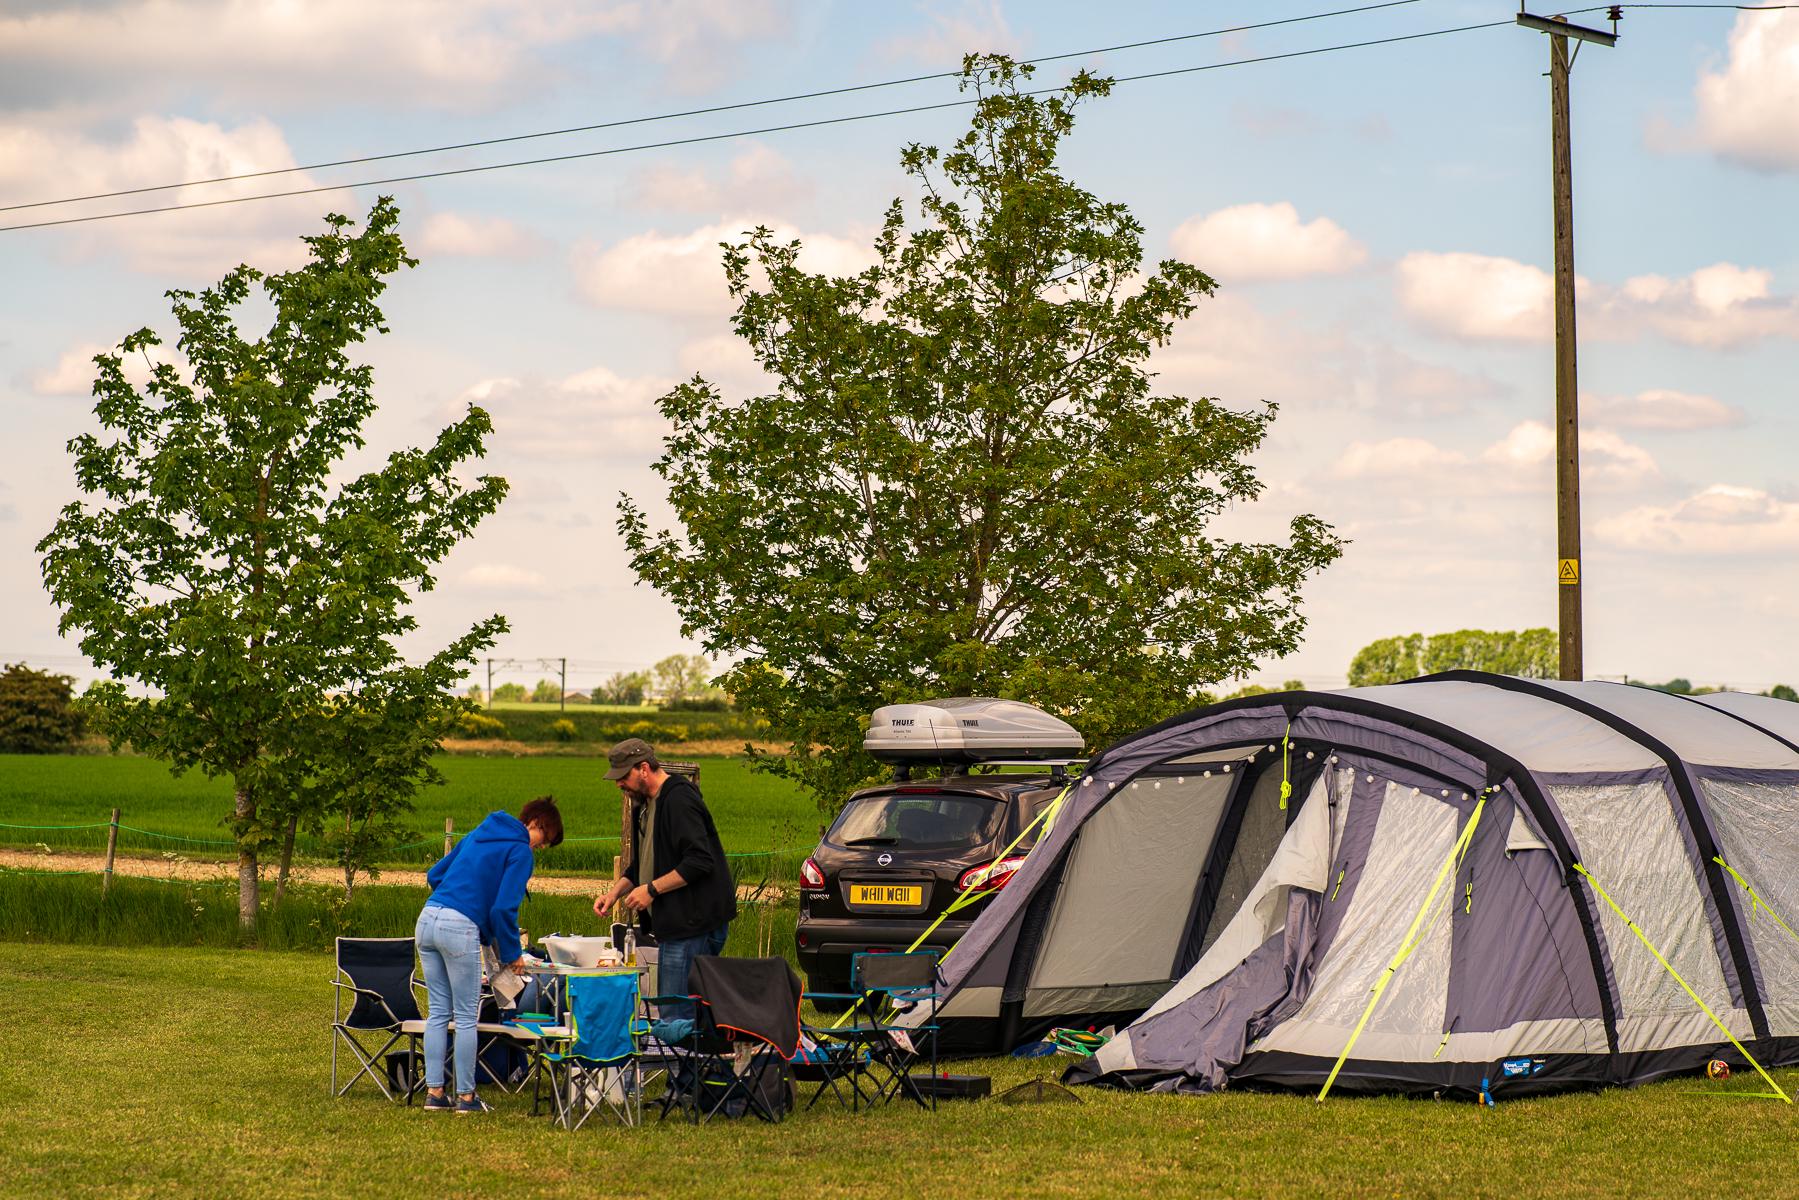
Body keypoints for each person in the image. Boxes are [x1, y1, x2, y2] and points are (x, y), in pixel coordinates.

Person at [416, 796, 563, 1114]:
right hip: (459, 925)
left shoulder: (479, 833)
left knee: (439, 1013)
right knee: (467, 1017)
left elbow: (434, 875)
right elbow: (503, 909)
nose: (538, 848)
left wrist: (462, 892)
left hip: (427, 919)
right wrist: (513, 954)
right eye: (544, 841)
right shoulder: (520, 850)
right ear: (538, 824)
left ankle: (435, 1093)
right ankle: (466, 1098)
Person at [594, 738, 736, 1025]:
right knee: (691, 1010)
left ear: (644, 768)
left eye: (623, 777)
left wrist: (651, 890)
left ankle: (687, 1068)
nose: (619, 784)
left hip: (695, 923)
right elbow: (644, 863)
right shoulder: (644, 805)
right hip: (676, 925)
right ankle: (714, 1067)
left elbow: (699, 860)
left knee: (675, 1014)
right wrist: (616, 892)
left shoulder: (679, 799)